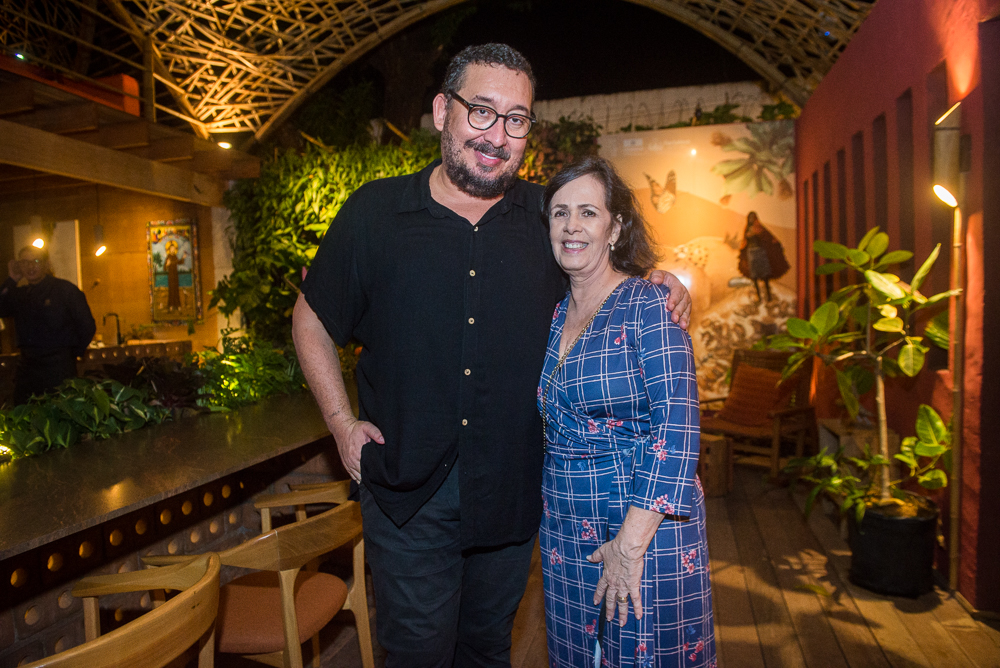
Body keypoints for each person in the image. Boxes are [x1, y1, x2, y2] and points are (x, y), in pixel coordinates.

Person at [292, 44, 691, 667]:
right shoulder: (375, 212)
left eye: (516, 119)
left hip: (511, 496)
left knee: (486, 651)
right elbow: (312, 316)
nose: (497, 135)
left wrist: (661, 283)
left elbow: (608, 277)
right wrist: (341, 424)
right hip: (407, 495)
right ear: (441, 112)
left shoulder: (546, 219)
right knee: (418, 656)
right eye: (481, 111)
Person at [538, 157, 714, 667]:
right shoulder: (554, 312)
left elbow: (678, 428)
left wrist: (629, 545)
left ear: (615, 228)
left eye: (588, 212)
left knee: (644, 655)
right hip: (566, 524)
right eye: (560, 213)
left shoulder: (650, 305)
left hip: (642, 523)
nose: (572, 226)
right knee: (577, 655)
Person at [0, 246, 96, 404]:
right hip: (28, 367)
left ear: (46, 264)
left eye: (36, 261)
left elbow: (87, 325)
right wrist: (12, 279)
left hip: (58, 367)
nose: (30, 267)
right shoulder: (20, 294)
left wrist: (72, 354)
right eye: (25, 262)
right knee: (23, 412)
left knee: (59, 412)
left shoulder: (65, 290)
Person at [738, 210, 789, 303]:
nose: (751, 219)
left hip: (760, 253)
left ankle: (768, 296)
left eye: (753, 217)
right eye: (750, 218)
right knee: (754, 276)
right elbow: (744, 242)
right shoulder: (747, 229)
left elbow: (769, 238)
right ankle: (759, 296)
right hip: (751, 255)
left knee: (765, 275)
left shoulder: (759, 227)